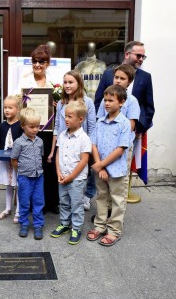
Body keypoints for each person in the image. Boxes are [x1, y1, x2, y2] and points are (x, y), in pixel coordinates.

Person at [87, 84, 131, 247]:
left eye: (110, 100)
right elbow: (94, 145)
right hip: (101, 170)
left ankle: (114, 231)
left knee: (117, 200)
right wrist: (100, 167)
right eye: (105, 100)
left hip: (116, 171)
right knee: (101, 198)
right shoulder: (100, 122)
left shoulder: (124, 123)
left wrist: (102, 165)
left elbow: (120, 149)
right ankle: (99, 225)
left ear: (121, 102)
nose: (106, 103)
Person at [18, 44, 59, 214]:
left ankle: (51, 202)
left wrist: (55, 104)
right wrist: (22, 101)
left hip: (49, 130)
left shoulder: (53, 82)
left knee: (49, 165)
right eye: (35, 61)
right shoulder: (25, 80)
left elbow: (61, 104)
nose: (37, 65)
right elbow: (18, 102)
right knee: (33, 165)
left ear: (47, 63)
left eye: (42, 62)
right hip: (31, 129)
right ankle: (34, 204)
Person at [48, 70, 96, 211]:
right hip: (64, 145)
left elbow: (92, 128)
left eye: (71, 82)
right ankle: (66, 205)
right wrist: (52, 151)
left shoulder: (88, 102)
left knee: (79, 175)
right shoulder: (62, 103)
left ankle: (82, 200)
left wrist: (91, 150)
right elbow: (57, 127)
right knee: (64, 171)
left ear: (79, 83)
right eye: (65, 82)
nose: (67, 85)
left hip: (80, 145)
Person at [50, 101, 91, 245]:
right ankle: (65, 224)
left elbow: (84, 161)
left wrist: (71, 177)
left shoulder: (84, 138)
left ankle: (77, 228)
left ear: (80, 119)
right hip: (63, 177)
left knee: (76, 204)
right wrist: (58, 172)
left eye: (70, 116)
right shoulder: (62, 135)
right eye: (65, 116)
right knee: (64, 202)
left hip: (76, 179)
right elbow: (58, 154)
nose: (66, 119)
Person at [94, 41, 154, 137]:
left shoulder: (145, 77)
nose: (141, 59)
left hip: (134, 134)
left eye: (143, 57)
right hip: (107, 132)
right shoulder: (108, 74)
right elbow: (98, 102)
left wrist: (138, 128)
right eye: (138, 56)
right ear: (127, 54)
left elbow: (149, 107)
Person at [10, 107, 45, 240]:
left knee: (38, 201)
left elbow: (41, 156)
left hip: (38, 177)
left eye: (37, 126)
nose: (35, 129)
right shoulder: (19, 142)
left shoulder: (40, 141)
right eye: (32, 127)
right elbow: (14, 159)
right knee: (24, 202)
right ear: (23, 126)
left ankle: (38, 226)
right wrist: (21, 172)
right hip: (24, 177)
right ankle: (24, 224)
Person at [0, 95, 23, 223]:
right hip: (6, 160)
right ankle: (7, 208)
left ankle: (19, 211)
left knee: (19, 184)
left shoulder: (21, 126)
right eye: (5, 107)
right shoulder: (2, 126)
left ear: (17, 109)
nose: (6, 110)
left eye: (10, 107)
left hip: (18, 161)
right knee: (9, 184)